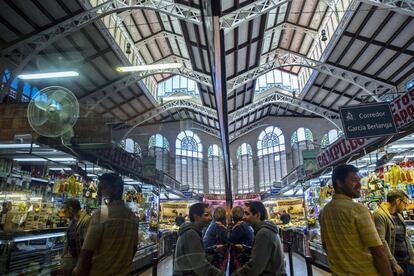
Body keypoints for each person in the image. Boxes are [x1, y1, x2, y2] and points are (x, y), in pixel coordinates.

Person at [319, 164, 393, 275]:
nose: (359, 185)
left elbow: (326, 246)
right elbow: (378, 251)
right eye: (353, 180)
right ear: (339, 183)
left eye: (359, 180)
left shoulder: (324, 212)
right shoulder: (358, 210)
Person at [74, 173, 139, 276]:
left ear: (114, 190)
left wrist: (79, 271)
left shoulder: (103, 213)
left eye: (102, 188)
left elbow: (87, 251)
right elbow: (134, 248)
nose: (99, 192)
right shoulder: (131, 216)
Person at [232, 201, 286, 276]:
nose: (243, 217)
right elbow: (263, 253)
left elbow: (254, 268)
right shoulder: (263, 230)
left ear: (257, 215)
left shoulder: (264, 233)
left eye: (247, 214)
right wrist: (246, 248)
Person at [174, 203, 225, 276]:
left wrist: (213, 249)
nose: (210, 218)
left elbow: (197, 255)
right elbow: (201, 267)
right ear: (196, 217)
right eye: (206, 215)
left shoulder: (194, 232)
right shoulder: (191, 234)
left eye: (210, 215)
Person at [373, 190, 414, 275]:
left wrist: (412, 256)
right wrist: (394, 264)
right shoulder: (379, 215)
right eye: (405, 203)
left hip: (407, 262)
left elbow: (405, 237)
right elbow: (381, 241)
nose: (406, 207)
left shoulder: (398, 215)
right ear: (398, 201)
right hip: (395, 266)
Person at [60, 198, 91, 275]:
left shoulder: (86, 220)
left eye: (65, 210)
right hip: (73, 261)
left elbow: (87, 245)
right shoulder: (73, 221)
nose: (63, 213)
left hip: (80, 263)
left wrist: (80, 265)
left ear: (70, 209)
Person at [228, 206, 254, 273]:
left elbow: (229, 239)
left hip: (243, 256)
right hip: (247, 253)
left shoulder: (240, 226)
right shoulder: (244, 224)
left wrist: (230, 229)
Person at [203, 207, 229, 271]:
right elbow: (229, 239)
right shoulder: (218, 225)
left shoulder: (213, 223)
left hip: (208, 253)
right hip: (212, 255)